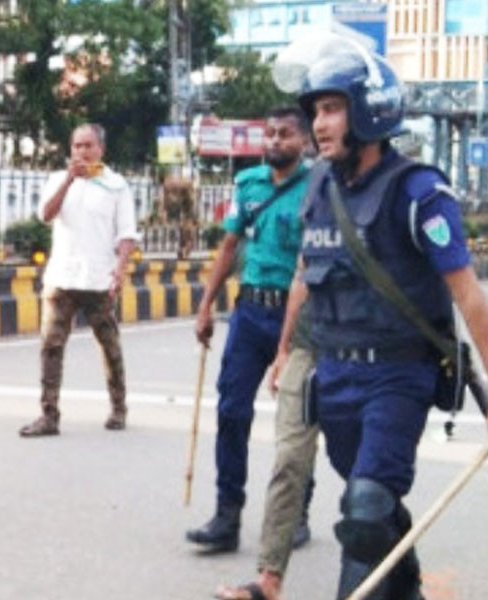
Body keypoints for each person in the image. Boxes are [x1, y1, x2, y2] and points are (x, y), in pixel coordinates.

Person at [275, 36, 488, 599]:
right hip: (334, 377)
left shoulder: (418, 192)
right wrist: (284, 349)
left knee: (365, 511)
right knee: (370, 507)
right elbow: (304, 273)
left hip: (397, 376)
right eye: (316, 109)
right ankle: (406, 588)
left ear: (370, 109)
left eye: (333, 107)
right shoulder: (318, 186)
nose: (319, 123)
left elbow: (468, 296)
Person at [186, 107, 314, 554]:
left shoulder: (319, 187)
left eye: (285, 134)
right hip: (249, 312)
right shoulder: (248, 184)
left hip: (297, 318)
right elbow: (229, 244)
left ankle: (296, 511)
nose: (275, 141)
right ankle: (227, 514)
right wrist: (205, 305)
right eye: (270, 133)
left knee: (295, 417)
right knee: (232, 411)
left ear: (304, 142)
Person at [18, 123, 138, 437]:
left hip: (99, 279)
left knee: (109, 345)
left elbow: (126, 234)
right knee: (51, 347)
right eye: (76, 146)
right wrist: (69, 181)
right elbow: (46, 214)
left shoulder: (116, 185)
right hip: (62, 277)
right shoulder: (58, 179)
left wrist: (120, 269)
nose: (81, 152)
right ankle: (49, 415)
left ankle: (118, 407)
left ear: (101, 149)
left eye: (88, 145)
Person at [214, 278, 317, 600]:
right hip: (310, 344)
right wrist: (284, 349)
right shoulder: (317, 225)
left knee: (368, 485)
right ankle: (269, 580)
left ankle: (396, 570)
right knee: (289, 458)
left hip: (373, 352)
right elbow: (303, 276)